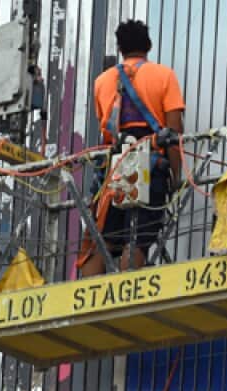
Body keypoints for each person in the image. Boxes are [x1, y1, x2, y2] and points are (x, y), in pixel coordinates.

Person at [82, 20, 186, 277]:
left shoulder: (102, 82)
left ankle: (86, 296)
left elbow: (106, 131)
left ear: (120, 48)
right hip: (150, 162)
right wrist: (176, 174)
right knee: (137, 238)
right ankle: (127, 292)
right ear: (148, 45)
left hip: (114, 165)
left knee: (104, 237)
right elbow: (173, 132)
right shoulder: (164, 76)